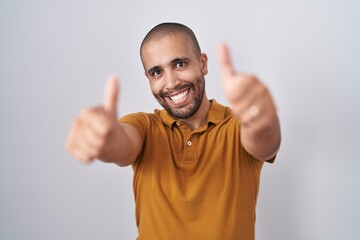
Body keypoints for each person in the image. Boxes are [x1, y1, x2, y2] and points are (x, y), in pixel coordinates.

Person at [66, 22, 281, 240]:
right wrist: (104, 140)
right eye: (157, 72)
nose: (171, 83)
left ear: (203, 63)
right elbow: (122, 144)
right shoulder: (144, 126)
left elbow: (265, 142)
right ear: (148, 78)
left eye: (179, 64)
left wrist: (261, 119)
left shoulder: (238, 125)